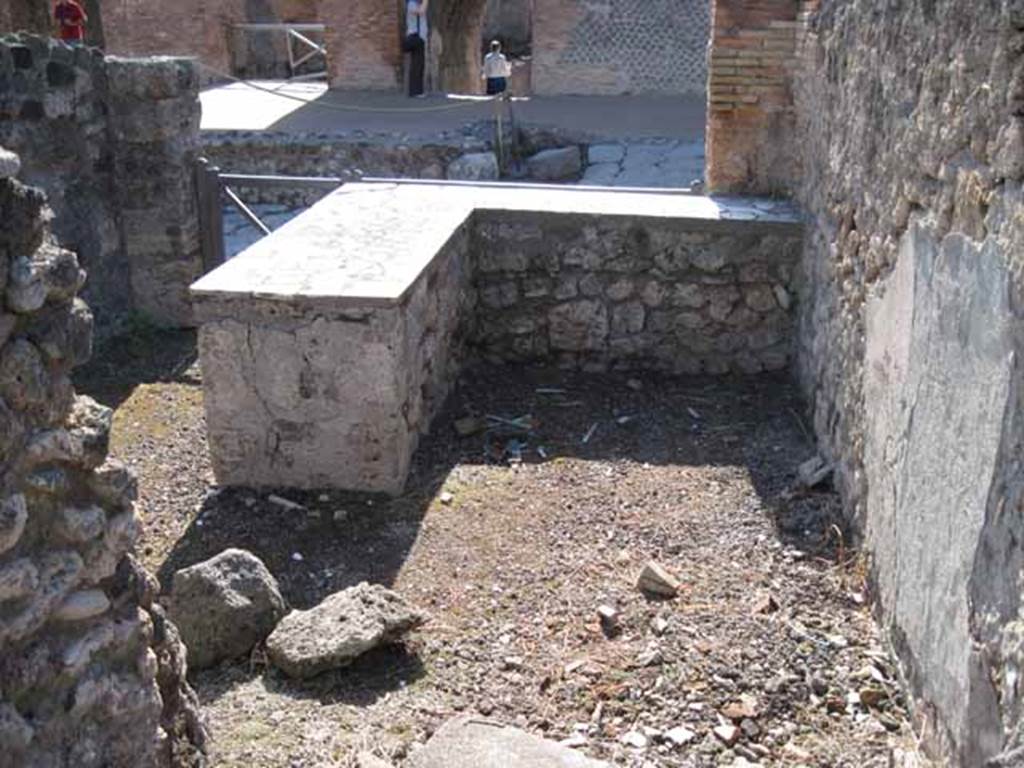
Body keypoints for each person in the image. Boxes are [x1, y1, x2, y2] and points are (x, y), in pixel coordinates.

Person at [403, 0, 429, 97]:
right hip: (415, 37)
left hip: (419, 37)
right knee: (417, 65)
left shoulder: (415, 3)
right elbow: (421, 11)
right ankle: (416, 91)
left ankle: (416, 90)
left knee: (418, 65)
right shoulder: (411, 3)